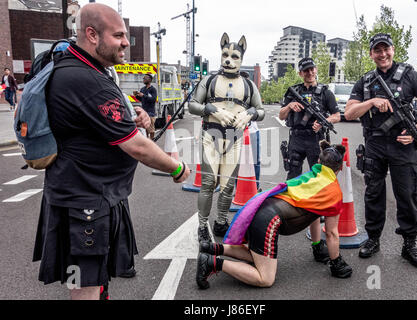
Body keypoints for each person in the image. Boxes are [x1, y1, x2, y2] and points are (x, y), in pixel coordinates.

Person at [32, 3, 190, 300]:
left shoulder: (85, 69)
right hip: (84, 204)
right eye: (118, 35)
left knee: (96, 280)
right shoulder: (86, 79)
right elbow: (136, 147)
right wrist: (176, 168)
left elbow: (101, 122)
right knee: (84, 289)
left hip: (92, 196)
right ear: (92, 34)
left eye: (126, 35)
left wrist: (137, 118)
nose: (126, 42)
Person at [196, 140, 352, 289]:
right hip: (268, 221)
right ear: (340, 168)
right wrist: (336, 261)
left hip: (258, 210)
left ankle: (213, 248)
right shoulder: (333, 191)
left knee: (254, 255)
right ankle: (212, 263)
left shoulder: (313, 175)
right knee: (265, 278)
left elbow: (315, 215)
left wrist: (317, 246)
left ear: (319, 160)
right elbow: (331, 233)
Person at [345, 33, 417, 268]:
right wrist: (371, 102)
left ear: (393, 50)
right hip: (375, 145)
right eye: (378, 50)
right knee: (373, 193)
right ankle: (373, 239)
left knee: (407, 195)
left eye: (386, 49)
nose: (382, 54)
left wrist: (416, 130)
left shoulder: (410, 76)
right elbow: (349, 113)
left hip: (403, 146)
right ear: (371, 54)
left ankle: (409, 244)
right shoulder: (365, 81)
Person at [188, 33, 264, 242]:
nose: (229, 60)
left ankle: (221, 221)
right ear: (221, 54)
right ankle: (202, 225)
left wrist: (250, 114)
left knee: (229, 185)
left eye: (235, 56)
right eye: (225, 55)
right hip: (210, 136)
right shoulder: (209, 80)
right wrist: (211, 109)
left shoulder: (249, 85)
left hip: (234, 138)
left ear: (242, 57)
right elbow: (193, 105)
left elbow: (261, 110)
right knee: (209, 182)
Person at [278, 57, 340, 263]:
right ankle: (287, 213)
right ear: (300, 73)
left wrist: (324, 123)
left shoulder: (325, 92)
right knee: (292, 176)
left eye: (312, 69)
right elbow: (281, 114)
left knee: (319, 180)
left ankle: (317, 216)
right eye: (305, 70)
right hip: (296, 138)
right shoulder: (292, 90)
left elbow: (337, 115)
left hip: (317, 140)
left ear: (316, 70)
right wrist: (291, 105)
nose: (309, 73)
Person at [134, 74, 157, 139]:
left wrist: (143, 95)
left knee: (151, 129)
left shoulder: (153, 89)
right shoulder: (142, 89)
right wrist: (137, 96)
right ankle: (147, 140)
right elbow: (142, 100)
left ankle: (152, 141)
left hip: (150, 112)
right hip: (144, 112)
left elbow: (153, 99)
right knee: (145, 128)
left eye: (145, 78)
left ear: (149, 80)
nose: (143, 79)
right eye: (143, 78)